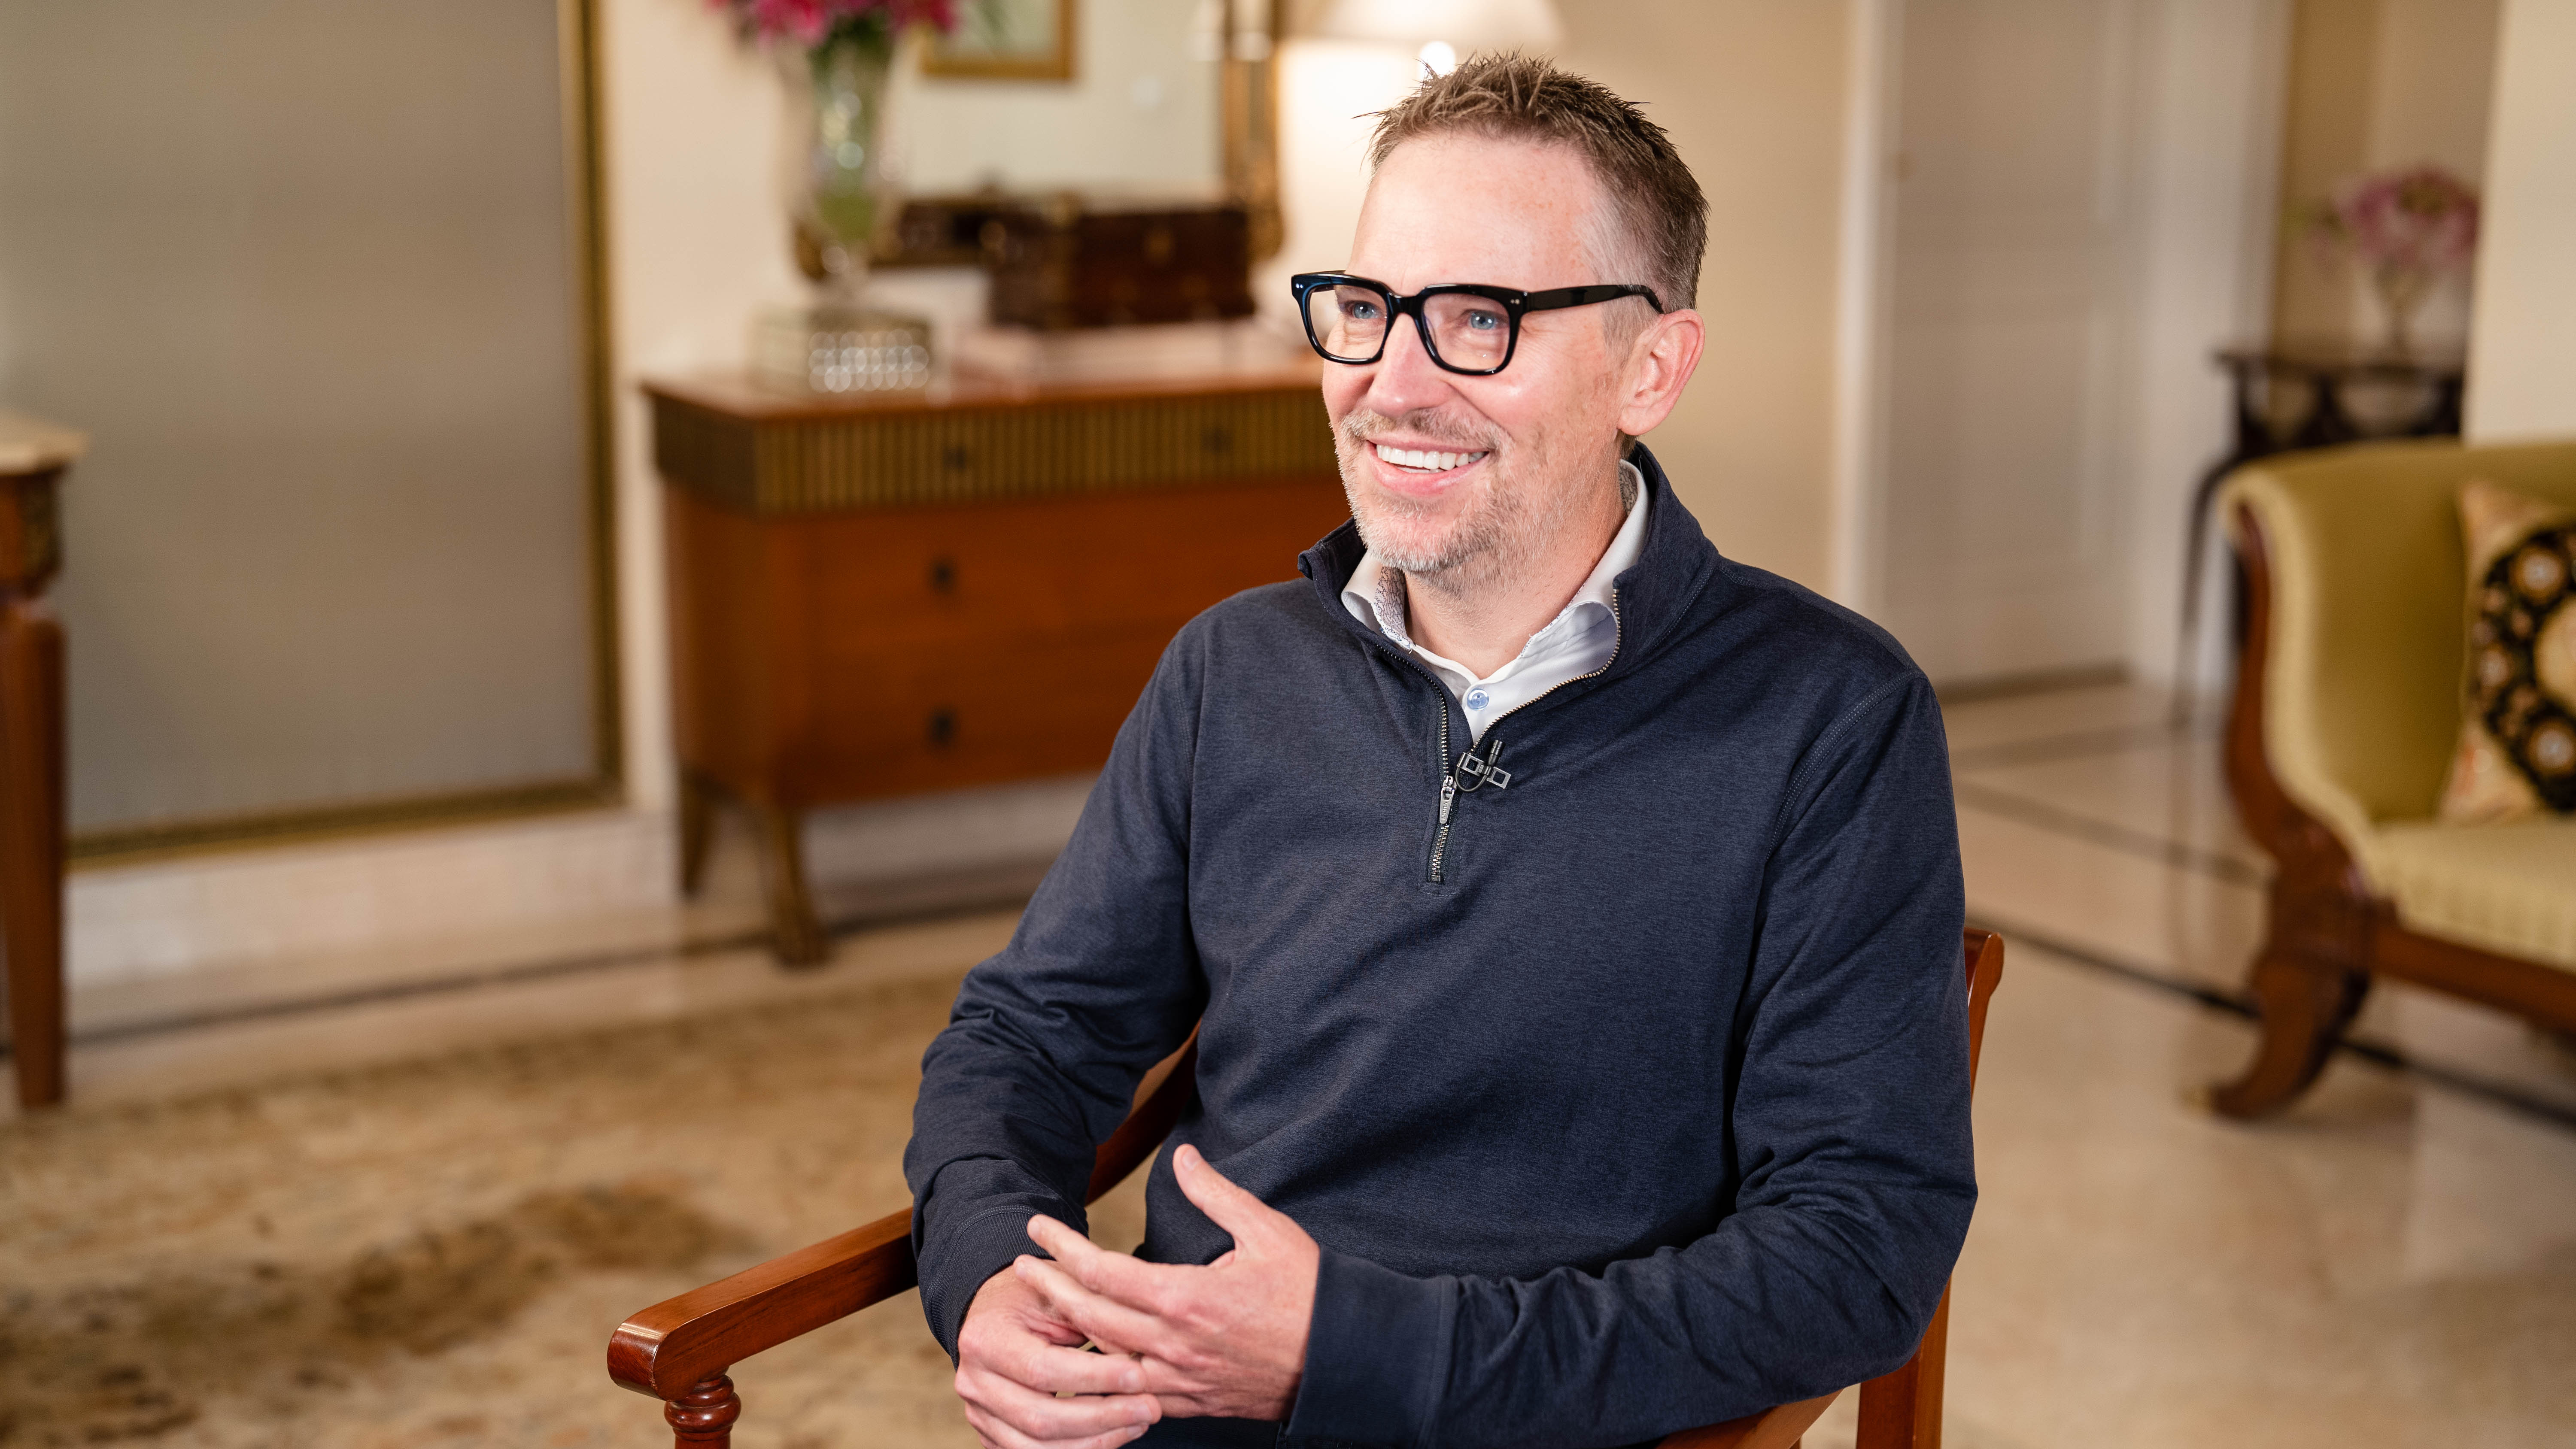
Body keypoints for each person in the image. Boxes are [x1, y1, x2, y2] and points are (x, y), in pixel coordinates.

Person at [904, 54, 1974, 1449]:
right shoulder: (1234, 671)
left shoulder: (1834, 720)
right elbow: (1027, 1038)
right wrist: (990, 1274)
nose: (1391, 384)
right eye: (1366, 309)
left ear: (1651, 368)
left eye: (1481, 319)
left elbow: (1858, 1249)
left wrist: (1353, 1354)